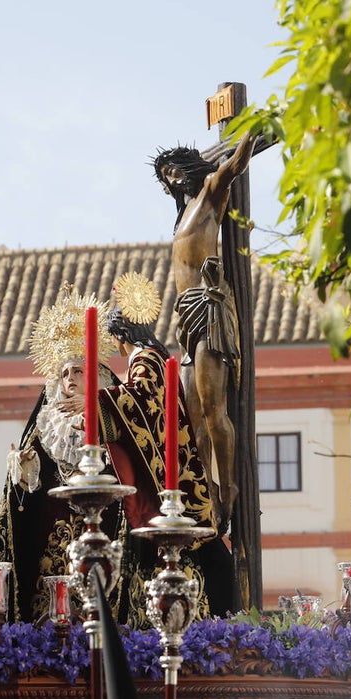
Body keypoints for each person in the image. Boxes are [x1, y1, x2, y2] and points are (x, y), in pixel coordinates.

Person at [56, 272, 237, 626]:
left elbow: (140, 401)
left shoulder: (146, 360)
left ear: (121, 335)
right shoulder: (150, 358)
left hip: (172, 475)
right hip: (170, 464)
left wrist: (94, 402)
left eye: (114, 339)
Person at [0, 286, 120, 623]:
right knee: (52, 610)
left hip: (106, 526)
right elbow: (23, 493)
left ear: (96, 374)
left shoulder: (114, 415)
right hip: (51, 533)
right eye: (65, 373)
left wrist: (97, 410)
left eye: (78, 370)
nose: (70, 378)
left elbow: (131, 461)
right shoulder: (47, 423)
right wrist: (23, 471)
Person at [153, 132, 258, 530]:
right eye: (166, 176)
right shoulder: (182, 218)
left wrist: (250, 131)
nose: (173, 179)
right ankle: (207, 491)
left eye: (174, 170)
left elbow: (236, 165)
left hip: (210, 309)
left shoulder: (212, 192)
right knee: (191, 416)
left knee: (215, 408)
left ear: (190, 167)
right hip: (187, 316)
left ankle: (227, 486)